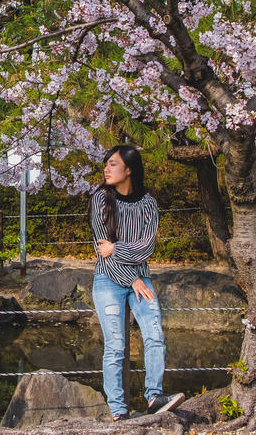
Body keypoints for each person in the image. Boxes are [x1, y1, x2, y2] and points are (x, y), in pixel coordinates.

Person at [90, 144, 184, 421]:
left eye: (113, 164)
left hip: (140, 278)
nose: (106, 169)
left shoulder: (148, 204)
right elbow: (102, 251)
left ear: (129, 169)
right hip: (109, 279)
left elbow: (146, 248)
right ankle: (118, 410)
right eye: (106, 164)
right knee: (115, 346)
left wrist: (117, 249)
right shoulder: (100, 199)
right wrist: (132, 279)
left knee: (155, 335)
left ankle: (154, 397)